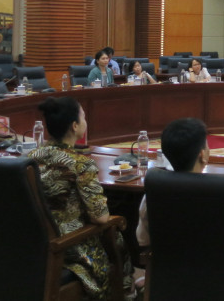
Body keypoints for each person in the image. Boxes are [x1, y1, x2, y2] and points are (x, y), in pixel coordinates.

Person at [29, 97, 131, 299]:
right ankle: (126, 292)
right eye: (83, 117)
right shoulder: (81, 164)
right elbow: (100, 217)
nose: (86, 121)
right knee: (116, 233)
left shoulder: (30, 157)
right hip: (69, 248)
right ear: (75, 126)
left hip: (34, 242)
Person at [137, 118, 210, 248]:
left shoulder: (153, 193)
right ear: (202, 154)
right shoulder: (223, 191)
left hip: (165, 260)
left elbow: (143, 240)